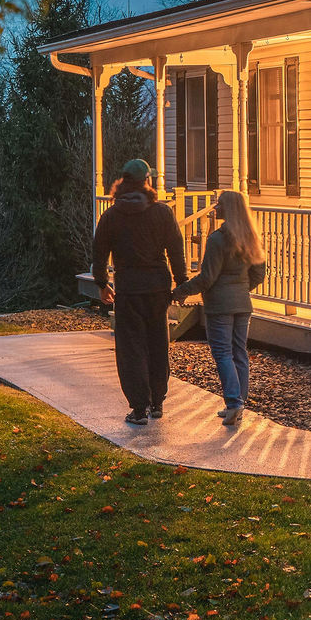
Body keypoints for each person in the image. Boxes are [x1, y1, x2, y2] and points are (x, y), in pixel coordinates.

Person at [91, 159, 187, 426]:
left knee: (131, 348)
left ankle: (139, 408)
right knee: (158, 343)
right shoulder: (162, 213)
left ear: (122, 183)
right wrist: (181, 282)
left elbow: (99, 254)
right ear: (147, 182)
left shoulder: (111, 216)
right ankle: (157, 402)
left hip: (129, 289)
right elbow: (175, 250)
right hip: (158, 288)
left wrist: (102, 283)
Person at [173, 189, 267, 426]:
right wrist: (242, 289)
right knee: (239, 353)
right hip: (243, 304)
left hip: (219, 306)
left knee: (223, 353)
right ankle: (238, 405)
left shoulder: (217, 240)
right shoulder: (252, 238)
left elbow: (207, 278)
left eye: (220, 204)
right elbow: (259, 273)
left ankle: (234, 403)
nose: (216, 207)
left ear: (229, 209)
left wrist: (181, 291)